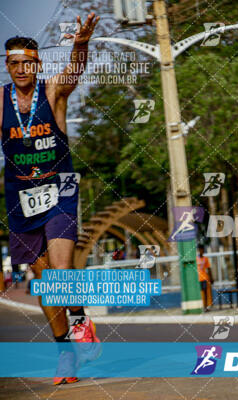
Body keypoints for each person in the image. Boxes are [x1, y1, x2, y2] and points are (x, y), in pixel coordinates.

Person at [1, 13, 100, 385]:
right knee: (46, 285)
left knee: (60, 270)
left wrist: (81, 44)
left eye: (28, 61)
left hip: (59, 190)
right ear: (8, 66)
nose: (22, 68)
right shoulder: (0, 103)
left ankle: (79, 323)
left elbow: (75, 72)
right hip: (20, 200)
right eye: (14, 63)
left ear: (37, 63)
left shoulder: (53, 91)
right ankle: (66, 353)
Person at [196, 245, 214, 311]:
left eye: (202, 249)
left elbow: (208, 268)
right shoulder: (196, 259)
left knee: (206, 293)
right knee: (201, 293)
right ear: (198, 250)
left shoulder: (205, 259)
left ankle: (206, 307)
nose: (201, 251)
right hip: (198, 278)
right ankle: (202, 306)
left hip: (205, 278)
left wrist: (211, 278)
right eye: (200, 249)